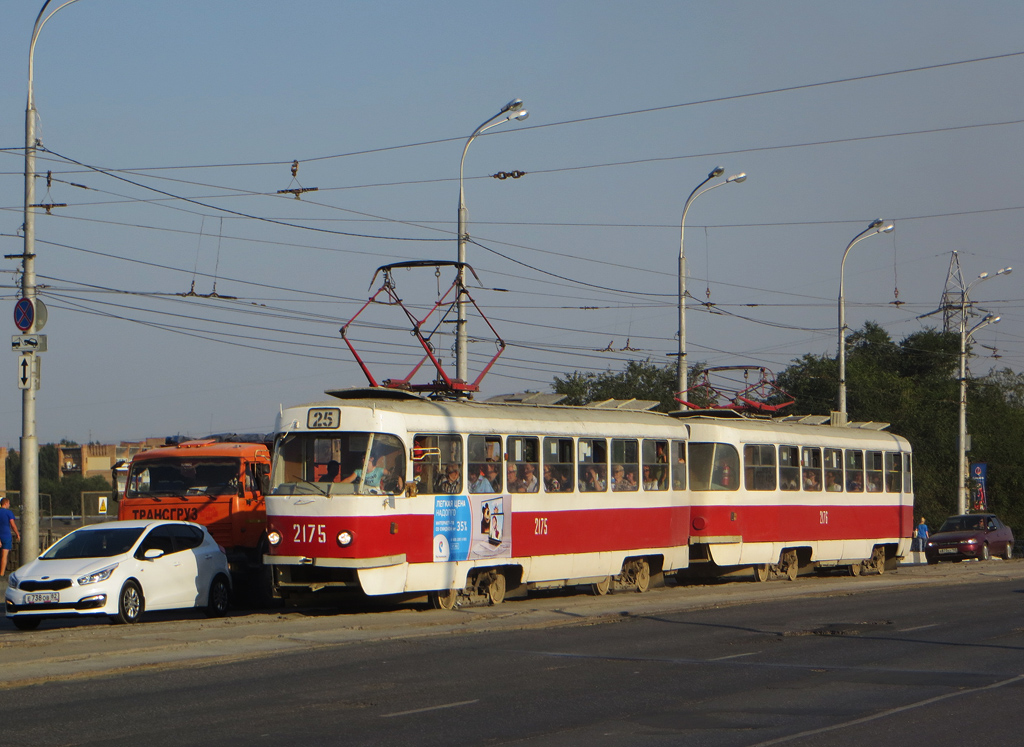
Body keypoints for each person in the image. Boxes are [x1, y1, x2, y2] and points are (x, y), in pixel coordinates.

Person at [0, 497, 20, 576]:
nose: (9, 505)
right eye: (8, 503)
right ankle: (1, 573)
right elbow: (13, 525)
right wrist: (17, 534)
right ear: (5, 503)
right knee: (4, 556)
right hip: (6, 535)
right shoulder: (9, 513)